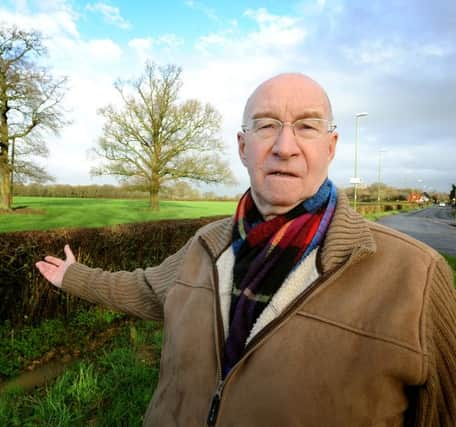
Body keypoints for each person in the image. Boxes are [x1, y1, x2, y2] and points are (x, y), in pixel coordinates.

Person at [36, 73, 456, 426]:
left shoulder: (415, 276)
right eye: (267, 125)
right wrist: (72, 276)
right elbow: (146, 290)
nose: (285, 146)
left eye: (307, 126)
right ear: (242, 146)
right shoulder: (206, 245)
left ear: (331, 146)